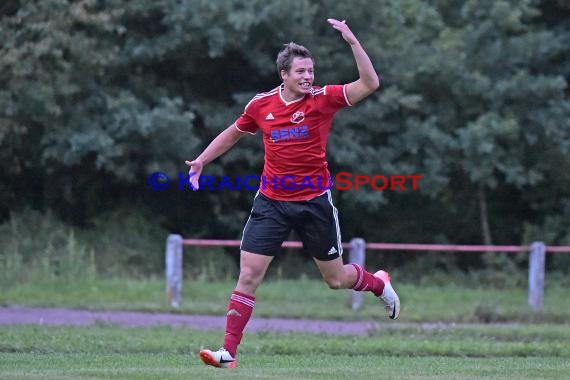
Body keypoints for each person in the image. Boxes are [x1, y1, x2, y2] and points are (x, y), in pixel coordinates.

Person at [186, 18, 400, 369]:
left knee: (335, 279)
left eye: (310, 71)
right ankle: (228, 353)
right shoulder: (261, 105)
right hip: (271, 202)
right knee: (249, 275)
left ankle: (377, 284)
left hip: (314, 202)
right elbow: (234, 132)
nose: (307, 77)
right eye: (300, 71)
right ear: (283, 74)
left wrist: (352, 42)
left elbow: (370, 83)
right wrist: (202, 161)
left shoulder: (323, 100)